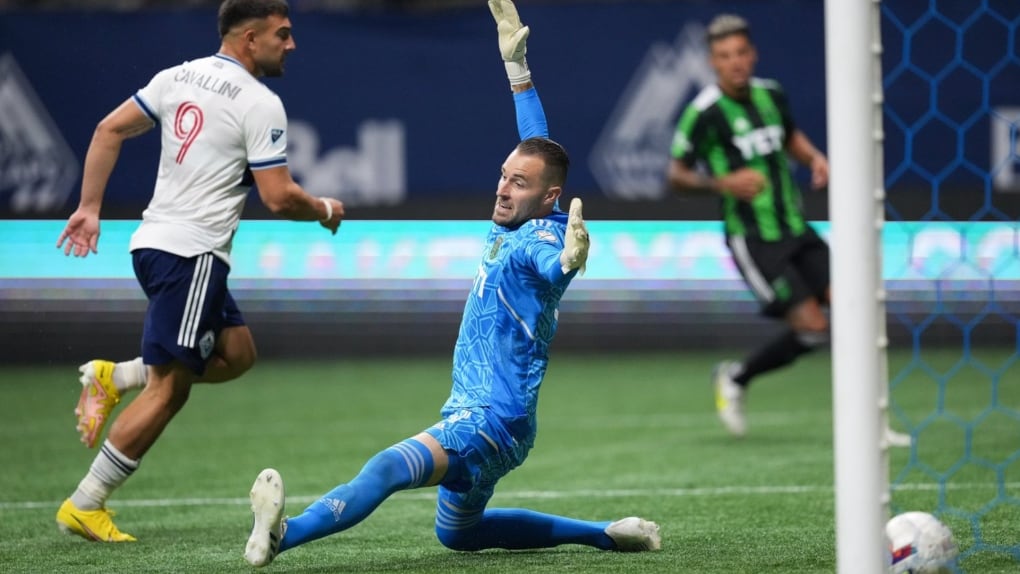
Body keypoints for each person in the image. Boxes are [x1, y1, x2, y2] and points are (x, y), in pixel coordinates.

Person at [242, 1, 660, 566]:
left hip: (490, 419)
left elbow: (550, 268)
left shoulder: (541, 243)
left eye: (518, 183)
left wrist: (570, 262)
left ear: (549, 199)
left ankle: (281, 536)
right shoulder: (530, 207)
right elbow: (537, 141)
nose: (504, 188)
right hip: (492, 419)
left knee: (389, 467)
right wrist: (519, 72)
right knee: (457, 535)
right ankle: (608, 534)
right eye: (503, 176)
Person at [54, 0, 344, 542]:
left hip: (157, 246)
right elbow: (278, 197)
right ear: (250, 38)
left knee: (237, 354)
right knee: (171, 388)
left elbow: (107, 129)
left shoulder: (176, 76)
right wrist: (325, 209)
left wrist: (89, 207)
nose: (292, 44)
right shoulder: (261, 103)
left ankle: (115, 376)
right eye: (283, 34)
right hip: (193, 256)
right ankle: (86, 502)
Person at [666, 14, 831, 437]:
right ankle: (736, 377)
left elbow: (789, 135)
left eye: (741, 52)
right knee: (813, 326)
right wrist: (723, 182)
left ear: (752, 54)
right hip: (754, 237)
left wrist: (813, 159)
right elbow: (676, 174)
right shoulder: (703, 113)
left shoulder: (771, 94)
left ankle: (870, 425)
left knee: (852, 309)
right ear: (713, 62)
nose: (735, 62)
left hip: (796, 226)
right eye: (725, 56)